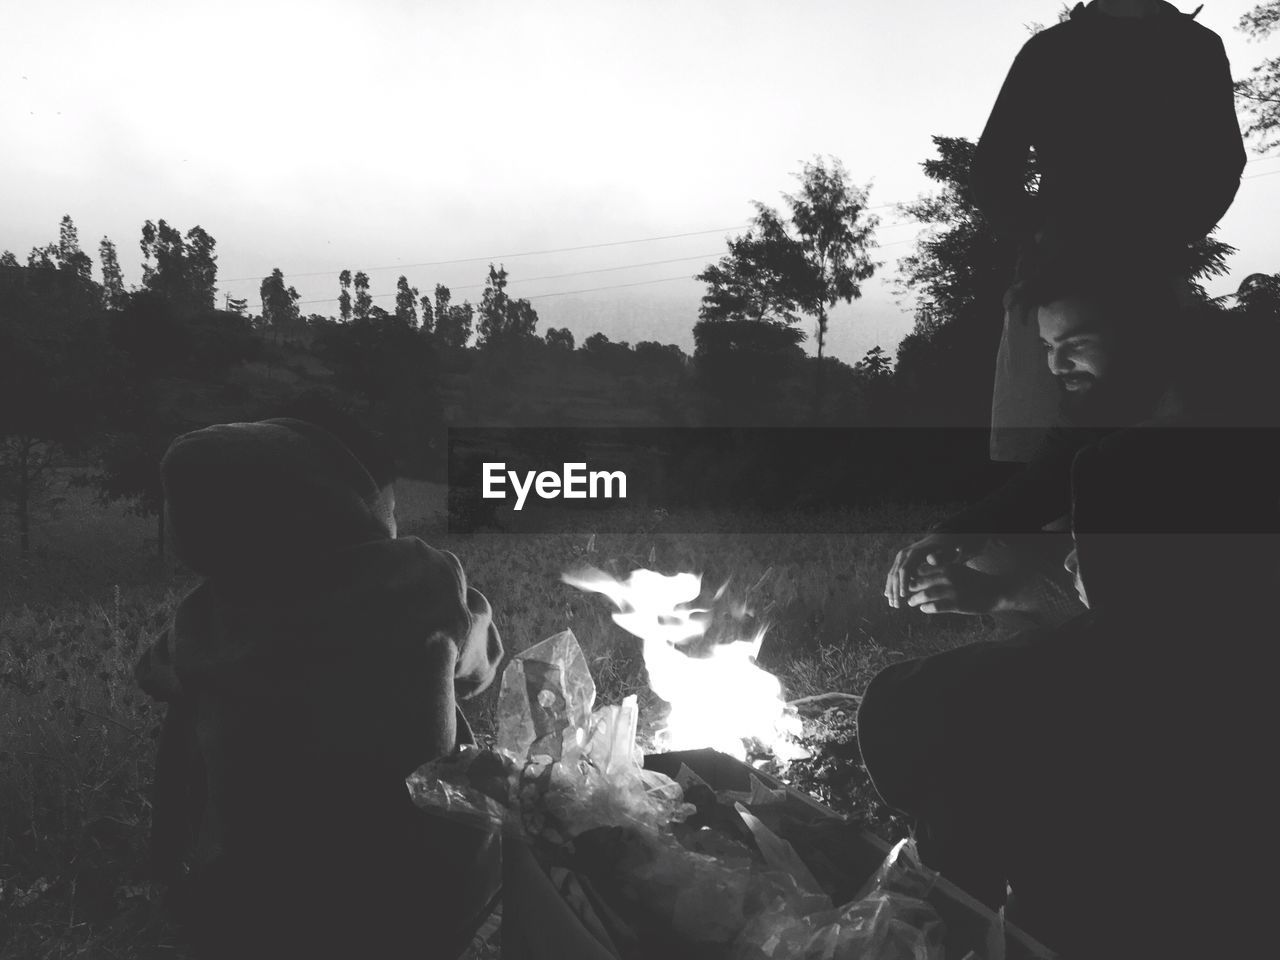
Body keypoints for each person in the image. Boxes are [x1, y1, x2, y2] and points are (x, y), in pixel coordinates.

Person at [858, 424, 1279, 957]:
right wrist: (999, 596)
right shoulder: (1240, 624)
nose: (1070, 560)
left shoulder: (1123, 664)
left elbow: (910, 711)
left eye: (1087, 543)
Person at [135, 409, 504, 960]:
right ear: (341, 506)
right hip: (417, 889)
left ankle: (173, 875)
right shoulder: (418, 579)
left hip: (261, 889)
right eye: (391, 509)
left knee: (190, 708)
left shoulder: (204, 619)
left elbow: (153, 675)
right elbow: (480, 666)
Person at [972, 0, 1246, 461]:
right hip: (1058, 267)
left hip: (1144, 263)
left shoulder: (1195, 48)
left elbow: (1222, 162)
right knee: (1043, 434)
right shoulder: (1050, 49)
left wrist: (1166, 235)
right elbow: (992, 169)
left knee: (1151, 432)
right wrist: (1039, 235)